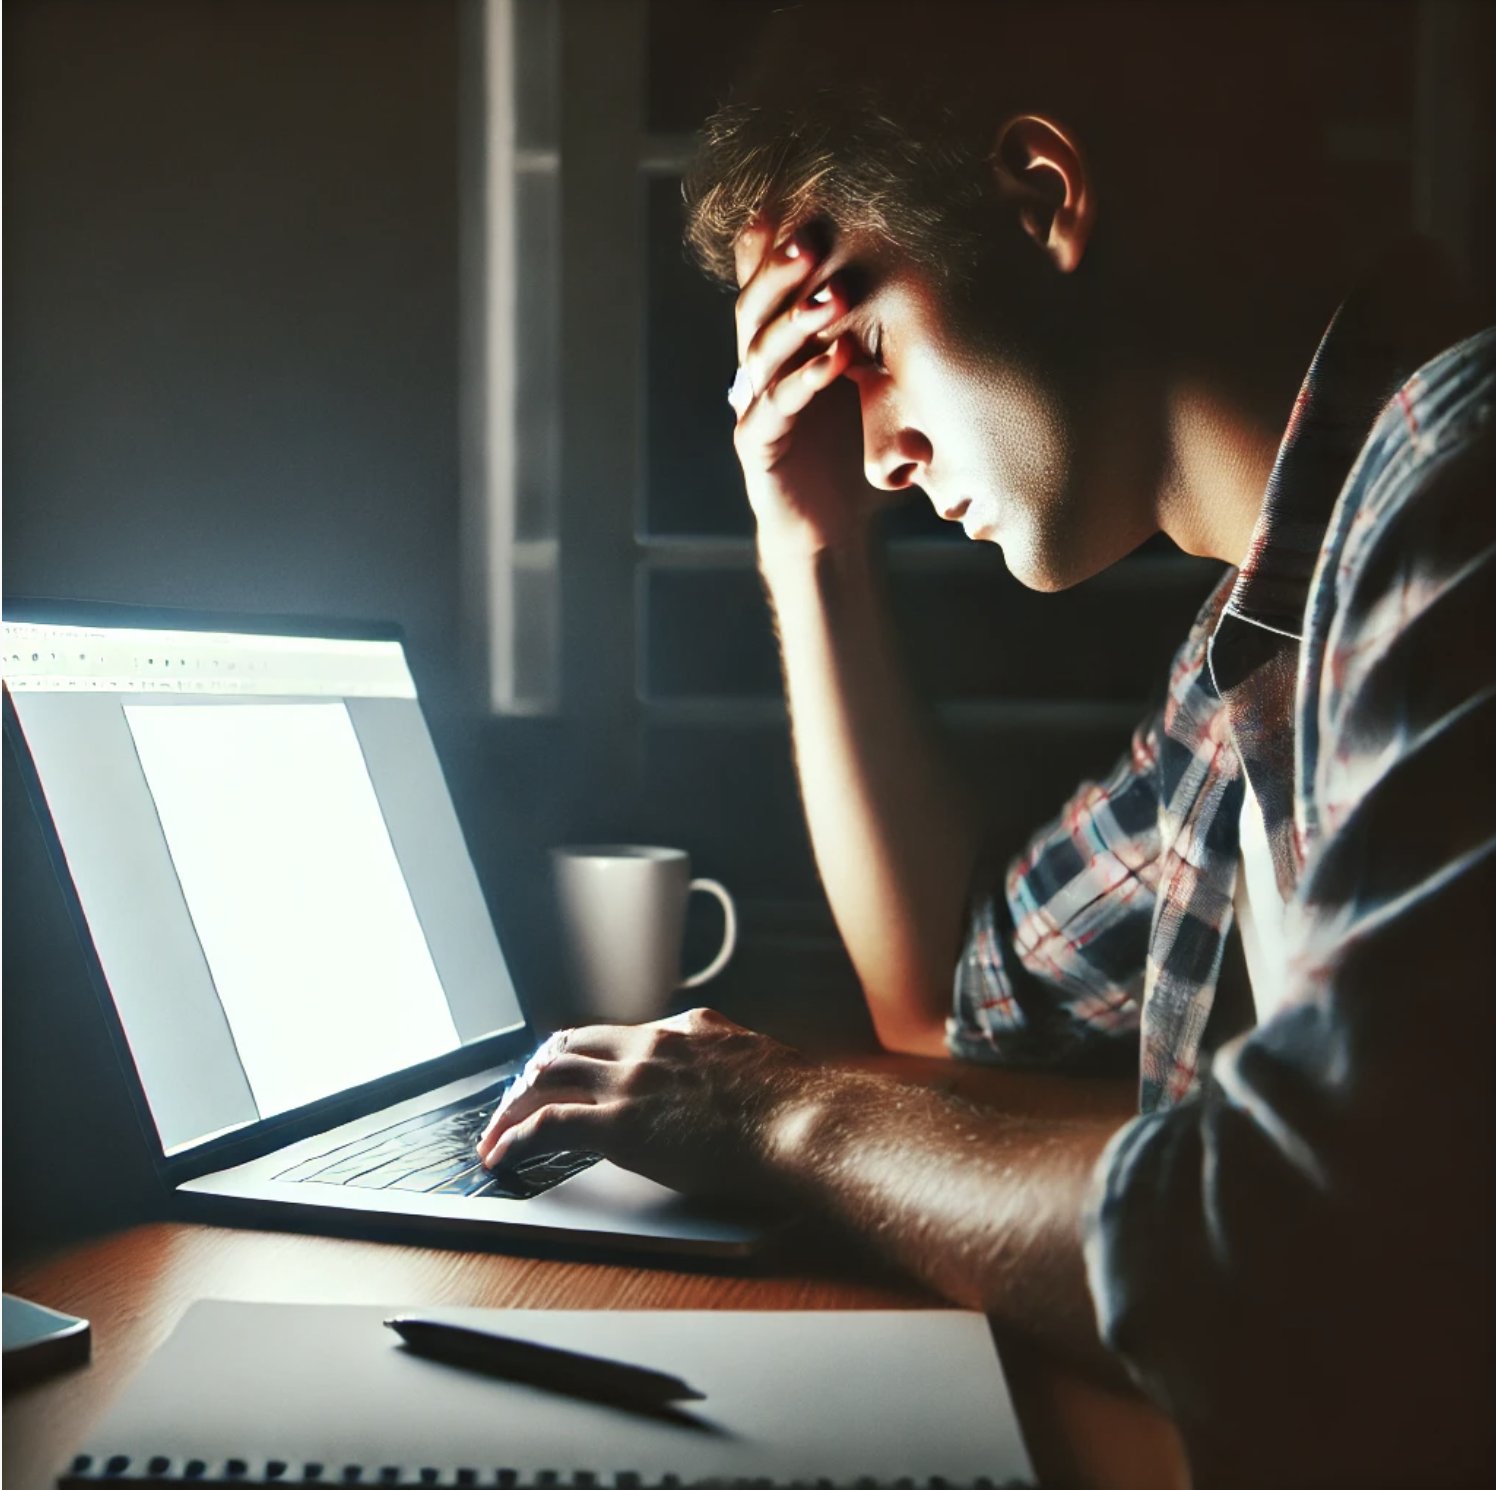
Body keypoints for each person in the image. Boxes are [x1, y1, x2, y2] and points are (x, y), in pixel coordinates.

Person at [478, 6, 1495, 1484]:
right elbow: (952, 1004)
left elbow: (1306, 1253)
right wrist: (808, 540)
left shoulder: (1453, 504)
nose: (874, 447)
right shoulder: (1260, 655)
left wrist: (786, 1112)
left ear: (1041, 196)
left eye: (867, 344)